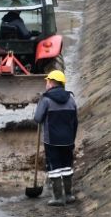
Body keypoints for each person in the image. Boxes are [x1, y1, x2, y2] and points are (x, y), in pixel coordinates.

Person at [34, 70, 78, 206]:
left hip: (51, 141)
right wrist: (72, 138)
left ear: (51, 83)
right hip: (68, 140)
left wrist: (39, 107)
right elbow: (75, 122)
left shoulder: (46, 99)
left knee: (54, 168)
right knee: (67, 166)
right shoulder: (71, 99)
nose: (46, 84)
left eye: (47, 81)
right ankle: (69, 195)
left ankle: (58, 198)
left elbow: (37, 119)